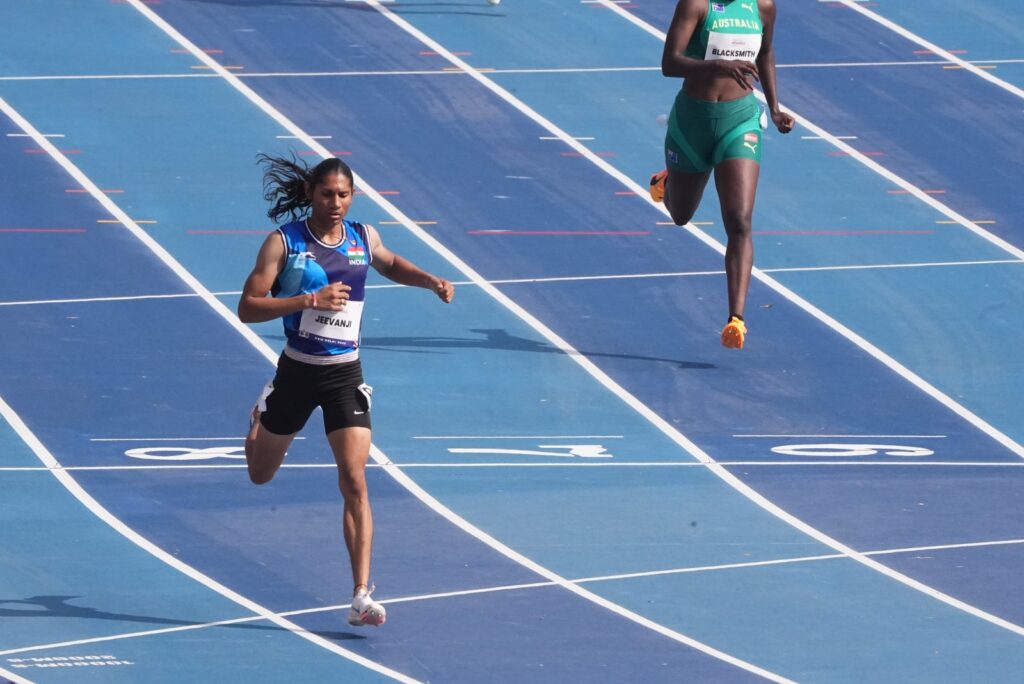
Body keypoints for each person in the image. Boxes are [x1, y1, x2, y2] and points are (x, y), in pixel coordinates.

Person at [237, 154, 455, 627]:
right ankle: (260, 417)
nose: (335, 203)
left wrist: (429, 281)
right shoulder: (284, 243)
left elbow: (391, 263)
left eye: (343, 195)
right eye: (326, 194)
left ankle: (360, 594)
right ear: (311, 195)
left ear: (352, 196)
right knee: (259, 475)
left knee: (354, 479)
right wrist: (307, 300)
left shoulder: (362, 236)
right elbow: (248, 308)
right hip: (296, 372)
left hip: (343, 374)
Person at [649, 0, 795, 349]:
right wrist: (718, 65)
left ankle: (736, 320)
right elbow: (670, 64)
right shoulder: (697, 5)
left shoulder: (762, 7)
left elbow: (766, 53)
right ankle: (666, 181)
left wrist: (774, 109)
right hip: (692, 122)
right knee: (681, 215)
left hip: (740, 119)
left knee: (740, 220)